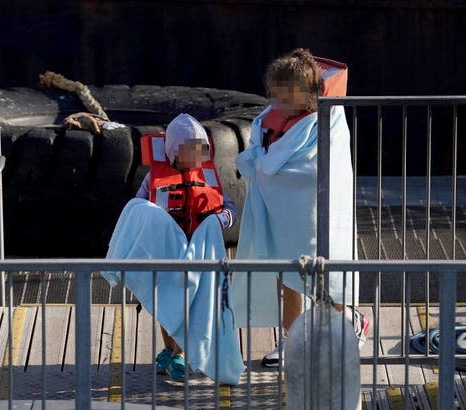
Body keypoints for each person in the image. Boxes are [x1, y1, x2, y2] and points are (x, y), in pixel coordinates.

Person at [231, 48, 370, 368]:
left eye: (285, 97)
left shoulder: (328, 120)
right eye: (274, 95)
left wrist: (265, 169)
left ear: (309, 95)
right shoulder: (267, 118)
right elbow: (258, 153)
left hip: (312, 213)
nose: (276, 103)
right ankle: (293, 340)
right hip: (277, 212)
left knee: (325, 276)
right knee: (286, 275)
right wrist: (264, 168)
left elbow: (317, 170)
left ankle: (348, 322)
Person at [102, 113, 245, 384]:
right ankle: (169, 348)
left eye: (201, 146)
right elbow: (139, 208)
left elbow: (230, 209)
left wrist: (219, 220)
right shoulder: (153, 179)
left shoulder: (210, 177)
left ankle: (180, 353)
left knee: (190, 307)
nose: (198, 153)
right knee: (166, 305)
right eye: (191, 147)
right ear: (174, 151)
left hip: (199, 254)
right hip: (166, 255)